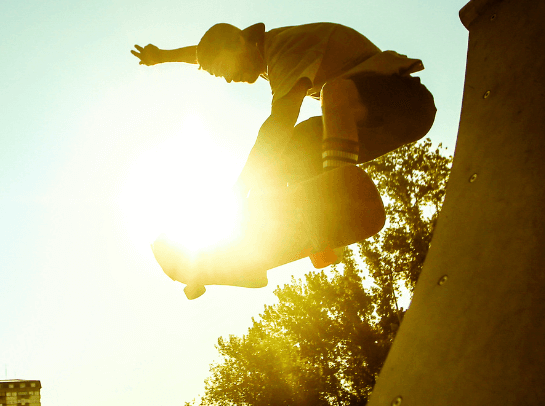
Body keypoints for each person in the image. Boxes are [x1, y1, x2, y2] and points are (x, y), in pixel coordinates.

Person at [133, 22, 435, 270]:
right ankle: (305, 231)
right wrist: (162, 56)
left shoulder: (285, 49)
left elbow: (278, 124)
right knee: (298, 146)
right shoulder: (255, 52)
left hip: (406, 102)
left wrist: (240, 189)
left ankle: (335, 196)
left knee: (327, 100)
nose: (226, 80)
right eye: (218, 76)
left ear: (239, 43)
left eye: (223, 70)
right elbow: (202, 54)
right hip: (373, 124)